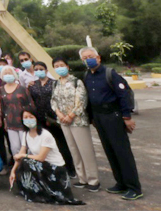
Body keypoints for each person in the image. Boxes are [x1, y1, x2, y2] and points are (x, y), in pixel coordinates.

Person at [82, 47, 142, 200]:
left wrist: (127, 117)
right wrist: (91, 118)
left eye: (90, 56)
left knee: (122, 152)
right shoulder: (87, 76)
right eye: (85, 58)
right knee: (110, 151)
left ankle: (134, 187)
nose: (88, 59)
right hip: (99, 118)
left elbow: (124, 96)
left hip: (113, 116)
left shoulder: (111, 74)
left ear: (98, 58)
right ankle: (120, 183)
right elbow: (88, 99)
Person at [9, 111, 84, 205]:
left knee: (26, 162)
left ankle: (44, 191)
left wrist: (23, 156)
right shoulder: (26, 134)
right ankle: (32, 190)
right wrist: (13, 171)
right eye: (25, 118)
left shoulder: (45, 134)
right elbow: (21, 153)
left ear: (37, 118)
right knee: (22, 163)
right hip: (43, 166)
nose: (28, 120)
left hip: (55, 169)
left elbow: (40, 157)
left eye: (31, 117)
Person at [51, 57, 100, 191]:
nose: (59, 68)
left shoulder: (77, 82)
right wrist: (60, 115)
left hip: (78, 121)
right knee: (74, 150)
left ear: (67, 66)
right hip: (63, 122)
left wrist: (71, 115)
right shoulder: (55, 84)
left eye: (61, 65)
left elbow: (82, 101)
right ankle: (82, 178)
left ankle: (93, 180)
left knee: (85, 150)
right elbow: (53, 101)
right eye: (56, 66)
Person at [28, 61, 76, 178]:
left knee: (61, 144)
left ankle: (69, 169)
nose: (39, 71)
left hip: (55, 118)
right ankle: (49, 169)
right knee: (45, 145)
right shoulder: (33, 85)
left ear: (46, 70)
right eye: (36, 69)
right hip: (39, 119)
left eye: (41, 69)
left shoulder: (54, 83)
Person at [0, 66, 36, 157]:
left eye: (10, 73)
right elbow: (2, 106)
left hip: (24, 122)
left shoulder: (22, 88)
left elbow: (31, 104)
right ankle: (19, 167)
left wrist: (31, 119)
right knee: (15, 148)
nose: (8, 75)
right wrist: (4, 120)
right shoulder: (1, 90)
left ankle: (30, 167)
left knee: (27, 146)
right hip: (10, 122)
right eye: (5, 74)